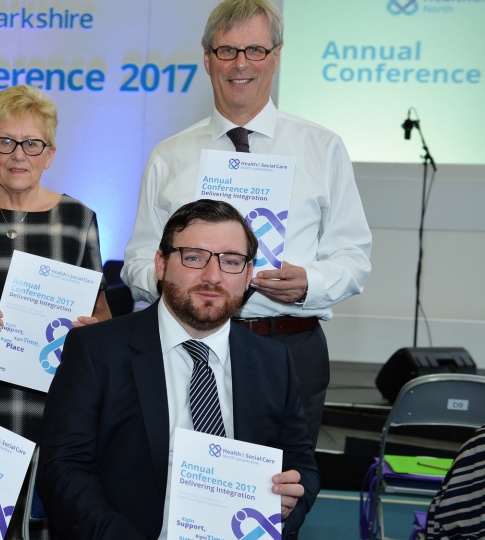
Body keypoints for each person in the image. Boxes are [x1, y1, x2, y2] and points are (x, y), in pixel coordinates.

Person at [120, 0, 371, 447]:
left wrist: (309, 283)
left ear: (275, 56)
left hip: (287, 346)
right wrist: (179, 281)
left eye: (255, 50)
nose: (241, 64)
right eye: (227, 51)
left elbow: (353, 258)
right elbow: (139, 260)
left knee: (280, 501)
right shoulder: (169, 156)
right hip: (187, 346)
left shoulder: (323, 148)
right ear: (207, 59)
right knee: (177, 493)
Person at [39, 199, 320, 540]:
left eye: (231, 261)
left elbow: (302, 468)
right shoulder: (97, 350)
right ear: (161, 264)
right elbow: (64, 470)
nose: (212, 276)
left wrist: (287, 506)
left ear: (248, 275)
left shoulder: (273, 362)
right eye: (194, 257)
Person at [0, 85, 110, 443]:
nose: (18, 156)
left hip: (57, 400)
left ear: (49, 155)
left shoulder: (77, 220)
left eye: (32, 144)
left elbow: (103, 317)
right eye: (5, 142)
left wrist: (90, 331)